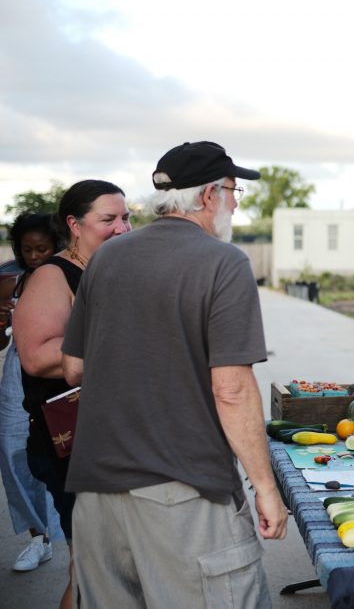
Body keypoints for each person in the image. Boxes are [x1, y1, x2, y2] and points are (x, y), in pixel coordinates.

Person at [62, 141, 287, 609]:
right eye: (233, 189)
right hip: (182, 497)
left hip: (96, 495)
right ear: (209, 196)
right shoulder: (224, 262)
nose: (235, 201)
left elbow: (73, 368)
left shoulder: (106, 258)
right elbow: (231, 390)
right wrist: (265, 489)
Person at [14, 181, 131, 609]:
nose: (122, 227)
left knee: (115, 563)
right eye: (108, 219)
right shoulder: (52, 275)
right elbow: (37, 357)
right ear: (74, 224)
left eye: (126, 217)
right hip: (71, 443)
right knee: (89, 567)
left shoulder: (110, 268)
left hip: (111, 438)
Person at [0, 212, 64, 572]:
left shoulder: (67, 278)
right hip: (17, 369)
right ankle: (38, 537)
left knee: (64, 450)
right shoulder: (12, 281)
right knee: (13, 450)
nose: (36, 255)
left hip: (59, 368)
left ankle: (74, 537)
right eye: (28, 249)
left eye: (43, 248)